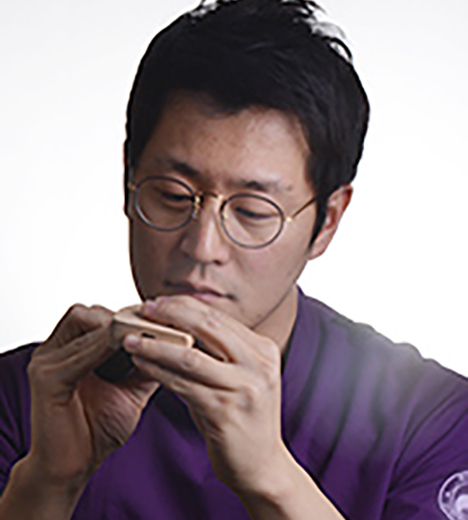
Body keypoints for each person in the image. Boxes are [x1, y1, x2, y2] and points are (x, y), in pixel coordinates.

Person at [0, 0, 467, 519]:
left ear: (327, 221)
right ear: (127, 180)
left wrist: (272, 477)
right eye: (173, 195)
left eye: (252, 211)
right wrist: (48, 481)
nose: (202, 247)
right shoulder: (26, 398)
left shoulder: (432, 421)